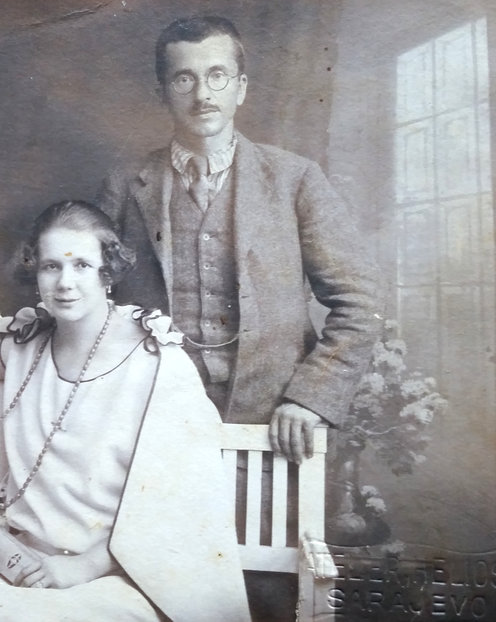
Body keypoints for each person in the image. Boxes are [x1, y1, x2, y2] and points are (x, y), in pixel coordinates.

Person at [0, 201, 251, 622]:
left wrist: (81, 567)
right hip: (25, 568)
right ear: (34, 272)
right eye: (51, 266)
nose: (65, 283)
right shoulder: (26, 347)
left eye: (82, 266)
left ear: (107, 272)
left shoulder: (155, 359)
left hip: (124, 572)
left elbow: (180, 503)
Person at [97, 15, 382, 464]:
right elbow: (90, 300)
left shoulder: (295, 180)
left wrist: (309, 398)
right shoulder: (125, 184)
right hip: (149, 422)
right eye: (184, 79)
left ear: (241, 88)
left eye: (217, 76)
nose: (203, 94)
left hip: (272, 427)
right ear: (162, 94)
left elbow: (361, 304)